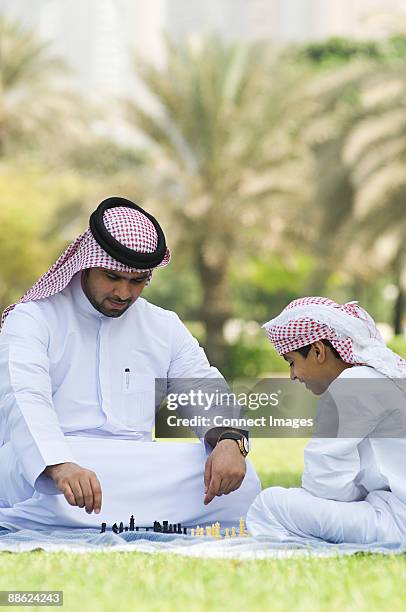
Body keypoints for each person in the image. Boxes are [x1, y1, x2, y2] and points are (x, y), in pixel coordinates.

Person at [0, 197, 260, 531]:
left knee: (242, 479)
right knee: (32, 475)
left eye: (137, 281)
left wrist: (228, 441)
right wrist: (60, 464)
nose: (124, 292)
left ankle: (93, 519)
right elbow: (24, 398)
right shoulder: (34, 318)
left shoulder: (162, 325)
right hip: (54, 461)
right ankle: (117, 514)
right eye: (113, 276)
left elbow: (201, 387)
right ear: (86, 263)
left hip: (137, 464)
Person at [246, 296, 406, 544]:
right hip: (393, 510)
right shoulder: (379, 375)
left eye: (292, 363)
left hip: (396, 522)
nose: (292, 376)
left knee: (269, 503)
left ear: (318, 351)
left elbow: (323, 485)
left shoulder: (354, 384)